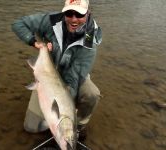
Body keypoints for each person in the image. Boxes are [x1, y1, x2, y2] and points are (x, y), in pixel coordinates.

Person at [12, 0, 102, 140]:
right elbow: (18, 24)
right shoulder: (51, 20)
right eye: (69, 13)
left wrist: (69, 108)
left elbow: (73, 79)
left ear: (88, 13)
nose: (73, 19)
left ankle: (78, 124)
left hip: (75, 75)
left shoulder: (89, 43)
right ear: (64, 12)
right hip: (48, 73)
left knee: (92, 93)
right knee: (31, 127)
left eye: (79, 14)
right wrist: (33, 42)